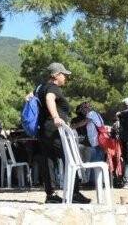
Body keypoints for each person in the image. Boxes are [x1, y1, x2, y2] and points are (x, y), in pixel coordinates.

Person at [35, 62, 89, 204]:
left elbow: (32, 98)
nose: (65, 77)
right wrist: (56, 117)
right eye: (64, 75)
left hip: (44, 130)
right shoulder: (53, 87)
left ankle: (51, 194)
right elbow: (49, 99)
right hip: (55, 131)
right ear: (56, 75)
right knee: (71, 158)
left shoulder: (40, 88)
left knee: (49, 161)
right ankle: (74, 192)